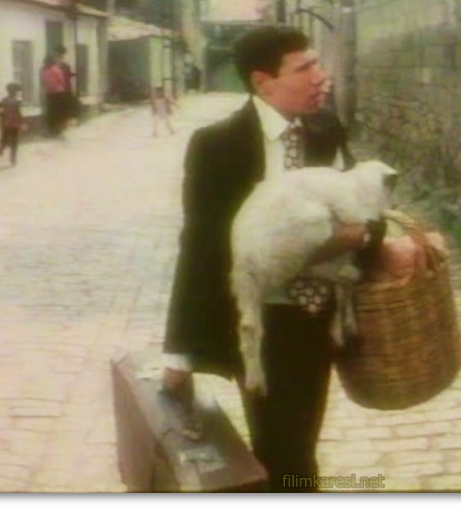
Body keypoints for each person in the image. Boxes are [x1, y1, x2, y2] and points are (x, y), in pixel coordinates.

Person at [161, 26, 380, 492]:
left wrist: (374, 237)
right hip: (263, 323)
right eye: (304, 67)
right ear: (263, 82)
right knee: (283, 449)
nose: (321, 76)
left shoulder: (326, 129)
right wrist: (180, 350)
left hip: (315, 314)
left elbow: (362, 203)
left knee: (296, 444)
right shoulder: (217, 145)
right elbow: (200, 244)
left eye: (317, 63)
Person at [0, 82, 26, 165]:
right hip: (15, 123)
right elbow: (19, 113)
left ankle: (2, 148)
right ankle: (13, 159)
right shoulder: (17, 101)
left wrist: (2, 115)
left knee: (4, 138)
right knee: (14, 141)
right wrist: (22, 122)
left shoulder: (4, 100)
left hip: (5, 122)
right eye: (16, 91)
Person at [40, 54, 66, 137]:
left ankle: (56, 130)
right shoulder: (53, 69)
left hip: (56, 93)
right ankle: (53, 129)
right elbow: (62, 81)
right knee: (52, 112)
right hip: (52, 93)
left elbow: (61, 81)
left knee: (55, 111)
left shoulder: (54, 69)